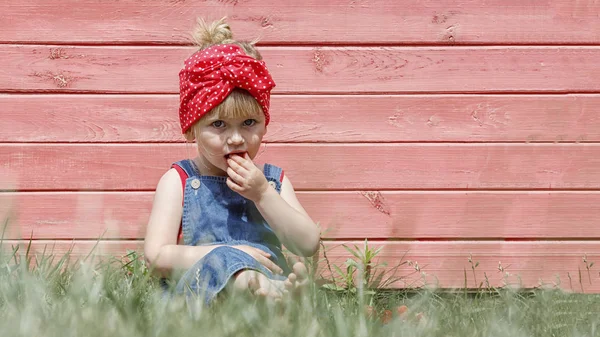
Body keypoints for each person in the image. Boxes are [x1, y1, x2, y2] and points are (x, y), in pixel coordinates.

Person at [143, 17, 320, 306]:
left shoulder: (272, 181)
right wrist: (232, 255)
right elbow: (157, 256)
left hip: (269, 276)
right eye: (219, 125)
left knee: (286, 278)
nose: (236, 138)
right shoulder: (179, 180)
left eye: (249, 122)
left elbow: (308, 243)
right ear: (191, 128)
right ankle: (257, 290)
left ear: (265, 124)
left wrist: (263, 194)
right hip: (201, 294)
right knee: (228, 262)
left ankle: (281, 298)